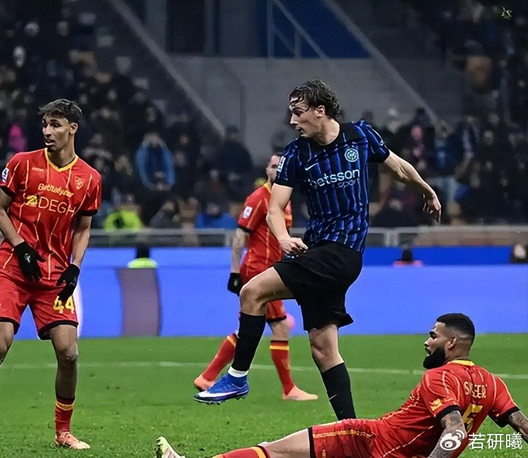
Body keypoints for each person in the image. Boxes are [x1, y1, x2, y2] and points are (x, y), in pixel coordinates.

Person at [195, 80, 442, 421]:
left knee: (252, 292)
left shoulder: (359, 136)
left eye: (298, 113)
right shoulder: (296, 154)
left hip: (342, 252)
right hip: (315, 250)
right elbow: (274, 208)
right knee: (323, 348)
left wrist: (427, 190)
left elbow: (398, 167)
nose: (292, 121)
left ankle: (237, 377)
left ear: (320, 110)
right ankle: (351, 428)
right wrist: (283, 238)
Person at [0, 99, 102, 451]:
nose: (47, 131)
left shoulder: (90, 179)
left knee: (69, 352)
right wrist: (20, 247)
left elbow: (83, 228)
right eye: (45, 124)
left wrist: (75, 267)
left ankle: (63, 432)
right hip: (14, 268)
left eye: (55, 124)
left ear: (73, 129)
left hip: (54, 274)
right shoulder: (22, 163)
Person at [160, 313, 528, 458]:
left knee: (277, 452)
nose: (427, 341)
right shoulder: (492, 383)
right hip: (387, 447)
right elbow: (522, 426)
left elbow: (454, 429)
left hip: (371, 440)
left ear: (452, 343)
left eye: (433, 336)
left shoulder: (439, 377)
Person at [193, 154, 317, 402]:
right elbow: (240, 236)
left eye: (281, 167)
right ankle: (288, 389)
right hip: (259, 269)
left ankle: (208, 376)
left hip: (272, 268)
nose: (276, 170)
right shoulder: (259, 198)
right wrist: (234, 271)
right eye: (273, 166)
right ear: (267, 171)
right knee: (279, 326)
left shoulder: (284, 200)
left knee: (249, 327)